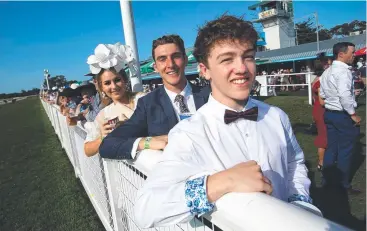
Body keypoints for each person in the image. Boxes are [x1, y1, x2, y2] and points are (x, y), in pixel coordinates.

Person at [134, 15, 318, 228]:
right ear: (205, 70)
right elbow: (146, 210)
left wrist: (300, 202)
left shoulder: (277, 116)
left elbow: (294, 163)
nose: (241, 68)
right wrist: (222, 182)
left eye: (248, 57)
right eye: (227, 59)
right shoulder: (189, 134)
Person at [99, 34, 211, 160]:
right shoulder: (148, 104)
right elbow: (107, 145)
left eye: (176, 56)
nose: (170, 64)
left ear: (185, 59)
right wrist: (147, 142)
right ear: (156, 67)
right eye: (162, 59)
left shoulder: (211, 95)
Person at [83, 43, 145, 157]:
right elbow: (87, 150)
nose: (114, 86)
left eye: (117, 80)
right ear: (101, 87)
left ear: (125, 80)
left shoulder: (142, 99)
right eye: (107, 83)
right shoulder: (104, 114)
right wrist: (102, 137)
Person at [320, 42, 361, 194]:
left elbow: (323, 94)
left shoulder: (327, 71)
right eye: (352, 52)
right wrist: (353, 114)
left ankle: (327, 181)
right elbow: (344, 95)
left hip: (330, 113)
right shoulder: (343, 72)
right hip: (342, 115)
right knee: (345, 150)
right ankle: (343, 184)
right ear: (341, 54)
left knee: (331, 149)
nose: (354, 54)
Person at [311, 63, 327, 171]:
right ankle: (321, 162)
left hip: (317, 109)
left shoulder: (315, 79)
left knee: (324, 135)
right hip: (322, 110)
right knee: (323, 137)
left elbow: (314, 98)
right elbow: (322, 101)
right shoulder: (321, 82)